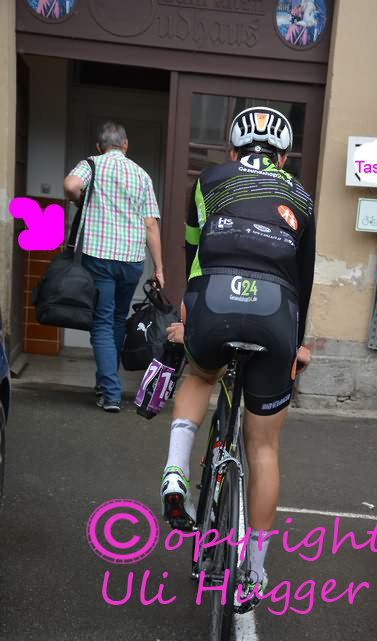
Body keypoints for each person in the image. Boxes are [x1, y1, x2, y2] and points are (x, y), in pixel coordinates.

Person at [162, 106, 316, 611]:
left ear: (231, 150)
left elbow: (193, 253)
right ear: (284, 157)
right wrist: (297, 343)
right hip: (277, 313)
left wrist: (188, 317)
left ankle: (175, 472)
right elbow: (304, 280)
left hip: (214, 302)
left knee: (201, 373)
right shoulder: (301, 196)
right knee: (263, 448)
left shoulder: (209, 180)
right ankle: (253, 571)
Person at [64, 121, 164, 413]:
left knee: (102, 322)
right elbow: (150, 224)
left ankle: (110, 393)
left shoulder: (91, 164)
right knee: (117, 319)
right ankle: (105, 384)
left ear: (99, 146)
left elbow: (70, 186)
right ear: (125, 145)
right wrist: (159, 268)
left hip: (99, 258)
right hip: (131, 261)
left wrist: (80, 200)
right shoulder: (141, 175)